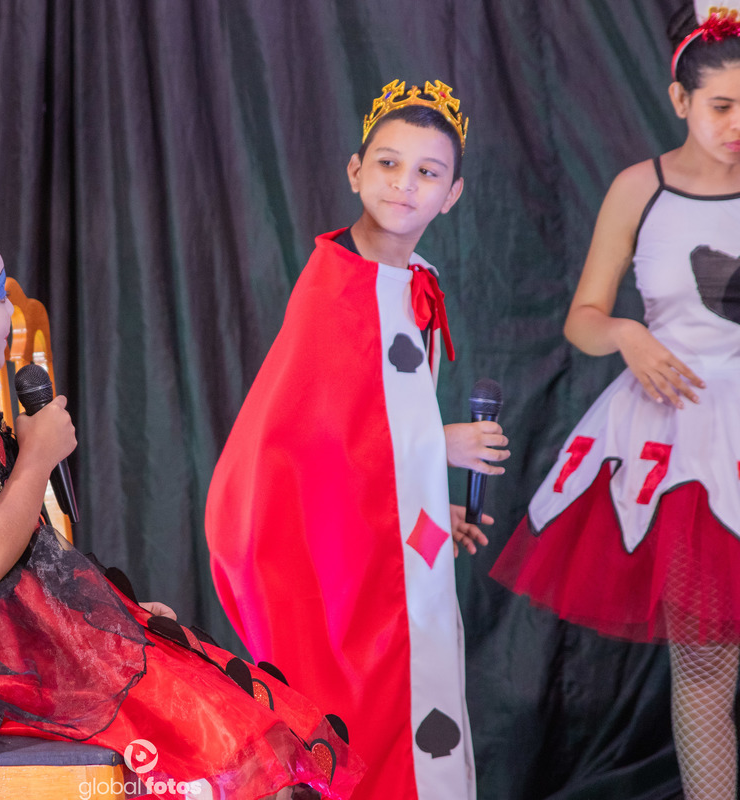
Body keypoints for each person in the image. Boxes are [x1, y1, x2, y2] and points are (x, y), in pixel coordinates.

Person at [0, 127, 365, 800]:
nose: (9, 310)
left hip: (30, 626)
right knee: (200, 729)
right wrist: (37, 455)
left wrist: (112, 618)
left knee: (218, 693)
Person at [204, 81, 508, 800]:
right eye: (388, 164)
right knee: (364, 713)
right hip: (333, 564)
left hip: (385, 544)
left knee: (417, 704)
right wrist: (441, 445)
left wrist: (426, 502)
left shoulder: (414, 280)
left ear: (453, 195)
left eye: (428, 172)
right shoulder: (338, 284)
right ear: (355, 171)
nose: (405, 184)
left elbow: (378, 423)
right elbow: (314, 441)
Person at [490, 4, 740, 797]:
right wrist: (629, 335)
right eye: (722, 106)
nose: (737, 125)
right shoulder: (641, 188)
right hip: (682, 443)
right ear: (680, 100)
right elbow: (584, 319)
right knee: (705, 664)